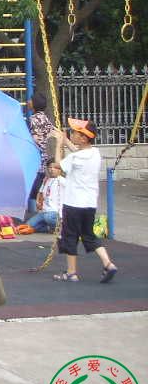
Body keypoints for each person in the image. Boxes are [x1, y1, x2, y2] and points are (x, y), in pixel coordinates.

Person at [52, 119, 118, 283]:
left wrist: (59, 144)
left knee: (69, 236)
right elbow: (77, 151)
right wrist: (66, 140)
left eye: (75, 132)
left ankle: (71, 272)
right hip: (89, 204)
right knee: (88, 235)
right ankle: (108, 263)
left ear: (83, 138)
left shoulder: (75, 158)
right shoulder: (94, 153)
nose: (72, 133)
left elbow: (58, 164)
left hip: (74, 203)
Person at [26, 92, 54, 212]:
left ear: (34, 104)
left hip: (34, 155)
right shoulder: (45, 118)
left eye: (30, 100)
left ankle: (34, 211)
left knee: (32, 186)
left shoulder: (33, 119)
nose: (28, 102)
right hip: (43, 155)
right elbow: (51, 132)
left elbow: (34, 138)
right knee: (39, 183)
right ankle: (38, 208)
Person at [23, 161, 63, 233]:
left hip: (54, 212)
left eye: (55, 168)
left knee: (48, 217)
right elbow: (40, 192)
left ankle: (62, 226)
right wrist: (37, 201)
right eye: (50, 167)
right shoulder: (46, 180)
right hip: (44, 212)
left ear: (60, 170)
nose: (52, 169)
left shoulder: (61, 180)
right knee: (28, 225)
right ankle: (50, 228)